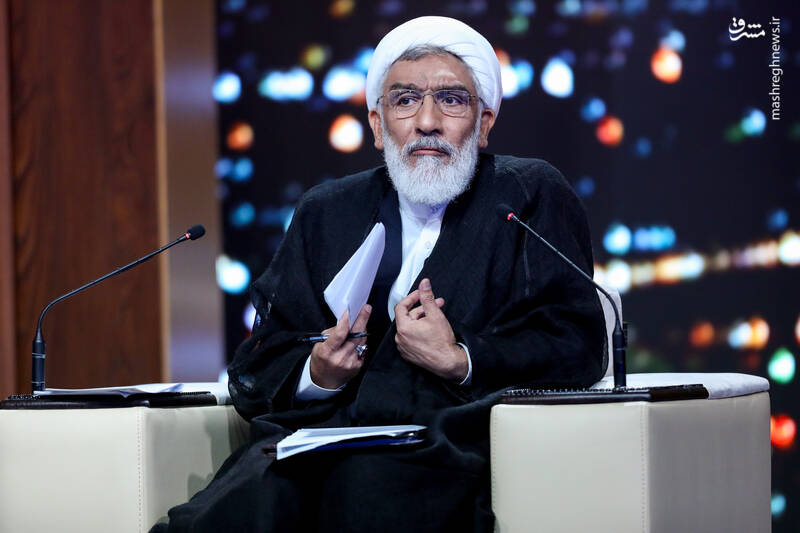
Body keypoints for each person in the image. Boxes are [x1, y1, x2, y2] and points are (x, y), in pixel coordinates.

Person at [153, 16, 606, 533]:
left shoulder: (526, 196)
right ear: (376, 123)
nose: (427, 121)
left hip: (445, 442)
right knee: (238, 505)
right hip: (316, 436)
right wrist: (318, 374)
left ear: (483, 123)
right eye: (405, 100)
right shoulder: (328, 211)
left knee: (366, 488)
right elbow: (258, 363)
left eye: (452, 100)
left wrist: (460, 358)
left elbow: (576, 343)